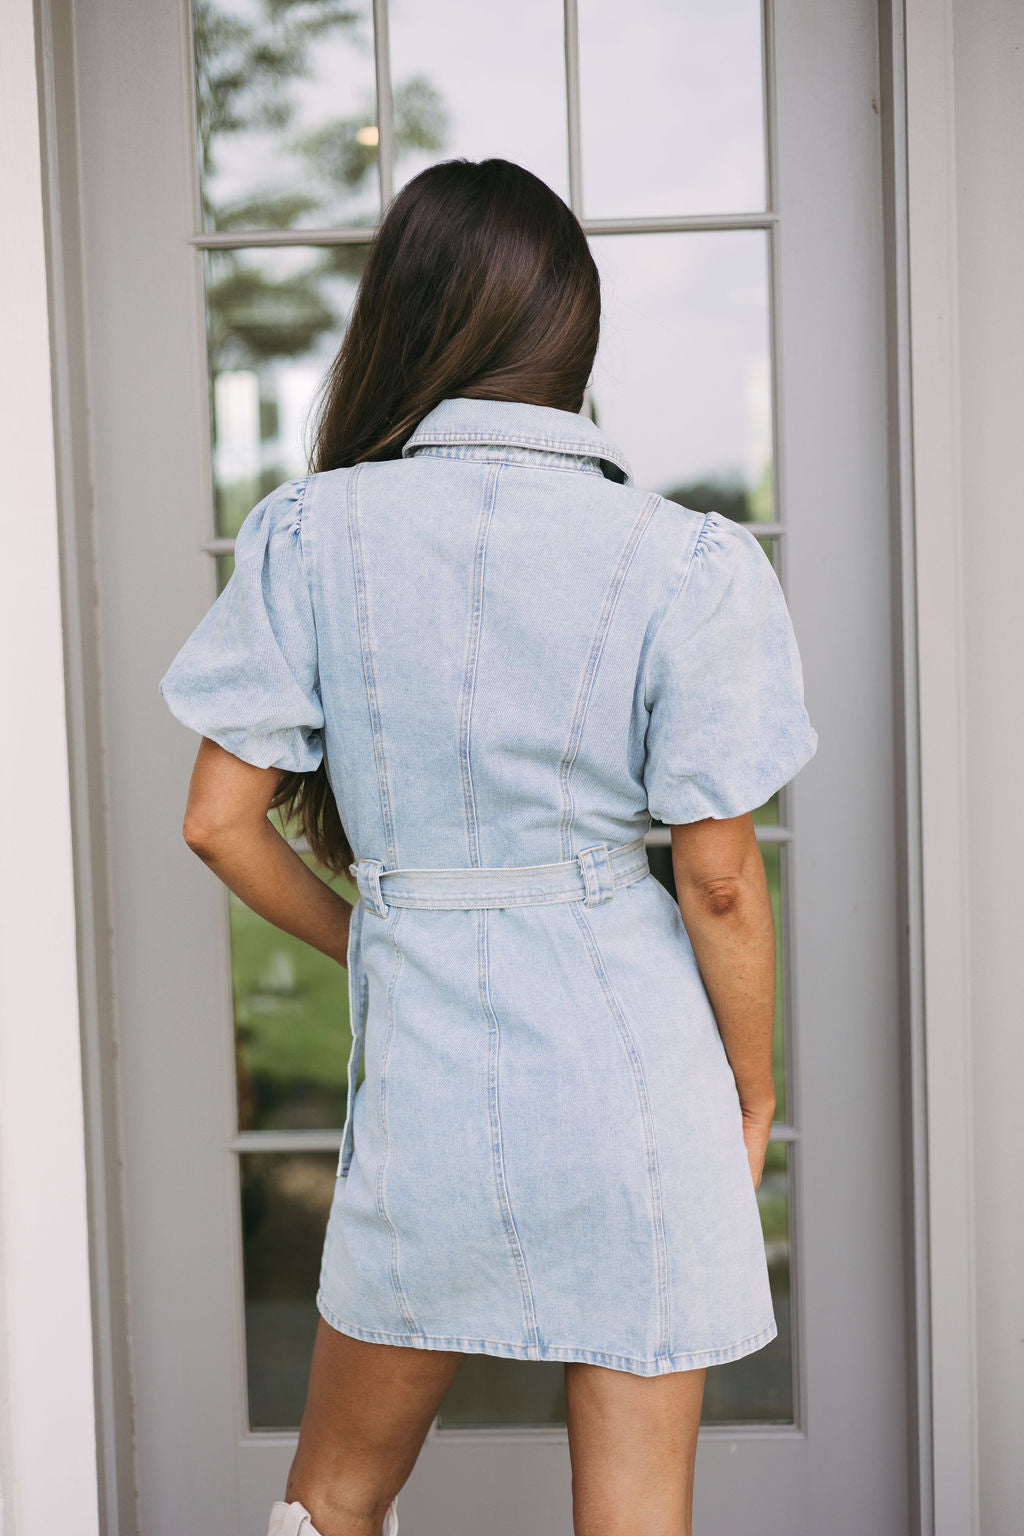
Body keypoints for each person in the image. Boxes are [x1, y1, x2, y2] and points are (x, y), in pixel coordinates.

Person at [158, 157, 818, 1536]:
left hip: (430, 1096)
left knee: (334, 1499)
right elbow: (717, 880)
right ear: (574, 334)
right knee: (638, 1516)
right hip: (638, 1082)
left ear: (401, 321)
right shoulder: (687, 561)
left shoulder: (310, 535)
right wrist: (750, 1092)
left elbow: (217, 823)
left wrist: (372, 935)